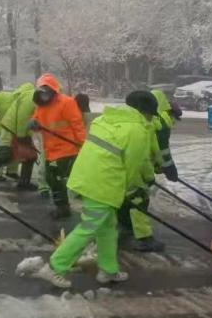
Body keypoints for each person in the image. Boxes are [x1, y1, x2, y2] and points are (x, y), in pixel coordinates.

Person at [34, 91, 158, 289]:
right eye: (152, 114)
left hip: (87, 177)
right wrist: (140, 186)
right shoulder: (137, 130)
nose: (152, 119)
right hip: (103, 184)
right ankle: (55, 267)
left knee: (107, 227)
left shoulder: (105, 119)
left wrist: (144, 179)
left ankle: (108, 270)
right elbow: (135, 165)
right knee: (88, 227)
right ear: (144, 112)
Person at [118, 89, 181, 252]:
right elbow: (157, 150)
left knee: (125, 197)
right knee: (139, 197)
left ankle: (125, 226)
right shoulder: (160, 122)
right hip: (133, 165)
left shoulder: (144, 120)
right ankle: (144, 238)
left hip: (119, 165)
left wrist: (158, 166)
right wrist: (166, 169)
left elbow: (153, 147)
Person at [28, 73, 86, 219]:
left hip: (66, 148)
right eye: (41, 93)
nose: (44, 96)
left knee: (54, 177)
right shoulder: (41, 106)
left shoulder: (67, 103)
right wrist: (33, 124)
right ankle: (63, 205)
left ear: (53, 90)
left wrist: (82, 144)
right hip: (50, 149)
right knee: (52, 178)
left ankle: (63, 208)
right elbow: (36, 120)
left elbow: (77, 124)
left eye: (47, 92)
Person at [0, 82, 38, 191]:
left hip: (15, 131)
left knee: (29, 156)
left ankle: (17, 178)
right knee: (4, 153)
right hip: (7, 131)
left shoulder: (28, 101)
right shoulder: (17, 98)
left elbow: (26, 119)